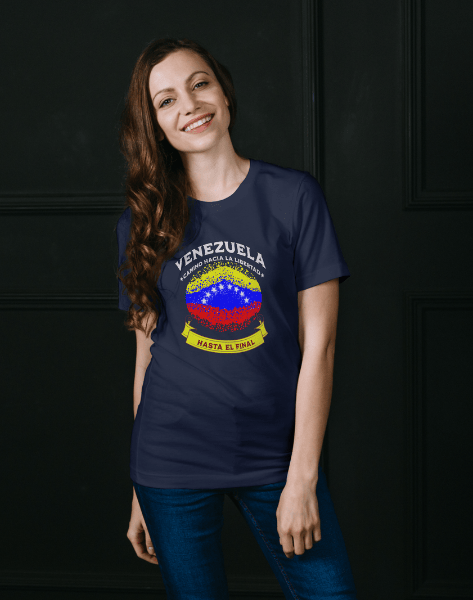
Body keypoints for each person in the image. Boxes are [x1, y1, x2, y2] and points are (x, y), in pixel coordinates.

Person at [115, 37, 358, 599]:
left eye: (199, 84)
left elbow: (317, 349)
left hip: (276, 455)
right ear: (154, 123)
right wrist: (138, 490)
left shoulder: (294, 197)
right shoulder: (143, 221)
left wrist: (303, 477)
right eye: (166, 100)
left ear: (223, 92)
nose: (190, 105)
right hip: (168, 461)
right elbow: (145, 358)